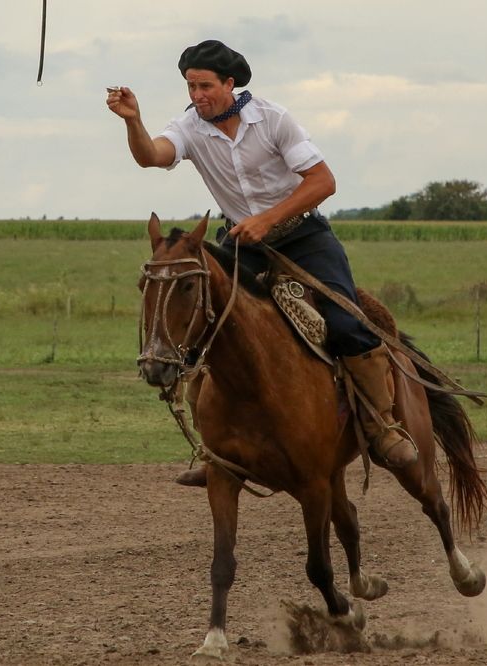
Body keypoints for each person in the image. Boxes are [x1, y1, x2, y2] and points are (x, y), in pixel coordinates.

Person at [106, 39, 417, 483]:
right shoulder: (190, 127)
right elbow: (151, 156)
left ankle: (382, 425)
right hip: (241, 242)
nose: (197, 95)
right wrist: (133, 121)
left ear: (229, 83)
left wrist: (267, 219)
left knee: (346, 323)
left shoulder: (273, 119)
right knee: (210, 329)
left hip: (304, 236)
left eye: (205, 86)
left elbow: (323, 181)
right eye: (191, 86)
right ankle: (217, 448)